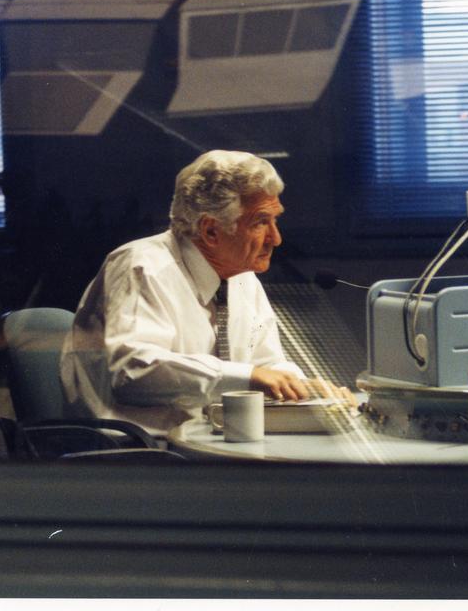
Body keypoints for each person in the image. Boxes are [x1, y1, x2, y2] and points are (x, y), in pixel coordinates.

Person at [60, 150, 349, 435]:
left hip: (210, 447)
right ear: (211, 231)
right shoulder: (142, 266)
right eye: (261, 222)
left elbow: (264, 364)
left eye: (275, 221)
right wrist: (249, 377)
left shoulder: (243, 277)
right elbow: (134, 371)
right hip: (137, 457)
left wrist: (304, 386)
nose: (276, 238)